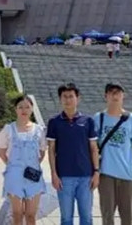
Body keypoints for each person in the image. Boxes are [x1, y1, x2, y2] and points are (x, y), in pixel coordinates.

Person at [94, 83, 132, 225]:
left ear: (123, 96)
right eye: (111, 92)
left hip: (127, 174)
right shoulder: (98, 118)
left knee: (127, 217)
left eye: (118, 92)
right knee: (107, 217)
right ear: (105, 96)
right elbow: (92, 146)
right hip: (106, 173)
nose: (115, 95)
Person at [46, 83, 99, 225]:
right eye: (65, 97)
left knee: (86, 217)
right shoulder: (54, 122)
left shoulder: (88, 121)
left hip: (85, 177)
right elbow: (51, 149)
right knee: (66, 218)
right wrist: (54, 174)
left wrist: (96, 172)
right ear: (60, 99)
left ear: (78, 98)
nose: (68, 100)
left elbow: (94, 148)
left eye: (71, 96)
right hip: (64, 177)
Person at [0, 95, 46, 225]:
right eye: (20, 107)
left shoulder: (39, 130)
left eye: (27, 107)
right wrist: (13, 166)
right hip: (14, 176)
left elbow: (42, 152)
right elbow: (2, 153)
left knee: (31, 215)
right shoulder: (8, 129)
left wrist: (32, 165)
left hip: (33, 175)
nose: (24, 110)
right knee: (17, 214)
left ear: (32, 109)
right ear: (15, 109)